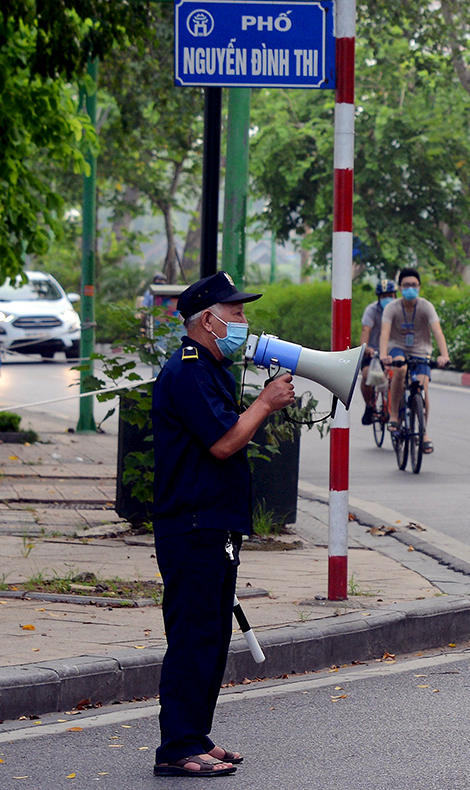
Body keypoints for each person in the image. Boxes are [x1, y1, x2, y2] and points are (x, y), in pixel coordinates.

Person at [151, 272, 295, 777]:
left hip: (211, 524)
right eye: (234, 313)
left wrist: (261, 404)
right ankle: (175, 749)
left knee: (210, 636)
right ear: (207, 320)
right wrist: (264, 403)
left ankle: (195, 735)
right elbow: (222, 442)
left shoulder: (210, 369)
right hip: (192, 526)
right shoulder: (189, 370)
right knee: (192, 636)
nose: (242, 321)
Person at [379, 268, 451, 454]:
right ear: (400, 288)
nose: (410, 288)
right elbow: (385, 333)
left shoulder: (426, 306)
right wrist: (383, 355)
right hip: (398, 348)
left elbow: (437, 332)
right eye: (406, 285)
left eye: (414, 285)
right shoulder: (392, 308)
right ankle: (394, 414)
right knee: (401, 369)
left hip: (421, 351)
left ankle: (424, 432)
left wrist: (444, 355)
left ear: (419, 287)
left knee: (422, 388)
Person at [359, 279, 398, 424]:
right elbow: (365, 329)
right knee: (367, 374)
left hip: (393, 351)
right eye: (384, 296)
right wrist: (365, 347)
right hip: (374, 351)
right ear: (379, 297)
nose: (387, 298)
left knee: (401, 376)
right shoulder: (371, 310)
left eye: (390, 295)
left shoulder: (400, 310)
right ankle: (369, 406)